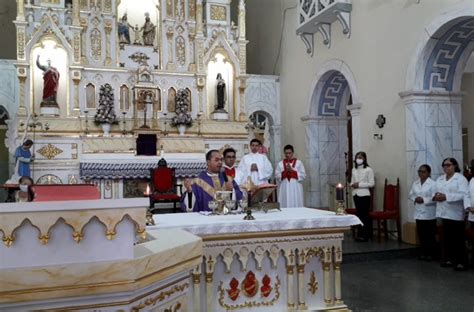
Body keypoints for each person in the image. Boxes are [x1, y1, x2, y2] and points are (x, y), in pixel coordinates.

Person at [433, 157, 469, 271]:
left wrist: (446, 197)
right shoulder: (440, 179)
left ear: (455, 166)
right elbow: (435, 191)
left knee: (458, 239)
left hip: (455, 213)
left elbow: (464, 195)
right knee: (447, 239)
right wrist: (436, 196)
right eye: (444, 165)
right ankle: (449, 259)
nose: (445, 167)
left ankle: (461, 262)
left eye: (448, 165)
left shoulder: (460, 179)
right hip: (443, 213)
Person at [408, 164, 437, 261]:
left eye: (423, 171)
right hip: (419, 213)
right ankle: (423, 252)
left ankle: (431, 254)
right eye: (419, 171)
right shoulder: (415, 183)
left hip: (429, 213)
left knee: (429, 235)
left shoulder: (433, 184)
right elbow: (411, 194)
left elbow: (435, 198)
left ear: (428, 173)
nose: (421, 173)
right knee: (421, 234)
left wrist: (424, 199)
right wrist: (415, 198)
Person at [350, 151, 375, 242]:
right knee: (359, 215)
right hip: (356, 194)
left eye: (360, 158)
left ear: (364, 159)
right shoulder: (354, 169)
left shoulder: (368, 169)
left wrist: (359, 185)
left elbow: (372, 184)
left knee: (364, 215)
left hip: (364, 194)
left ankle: (365, 235)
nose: (358, 159)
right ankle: (359, 234)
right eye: (357, 157)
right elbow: (352, 181)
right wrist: (352, 184)